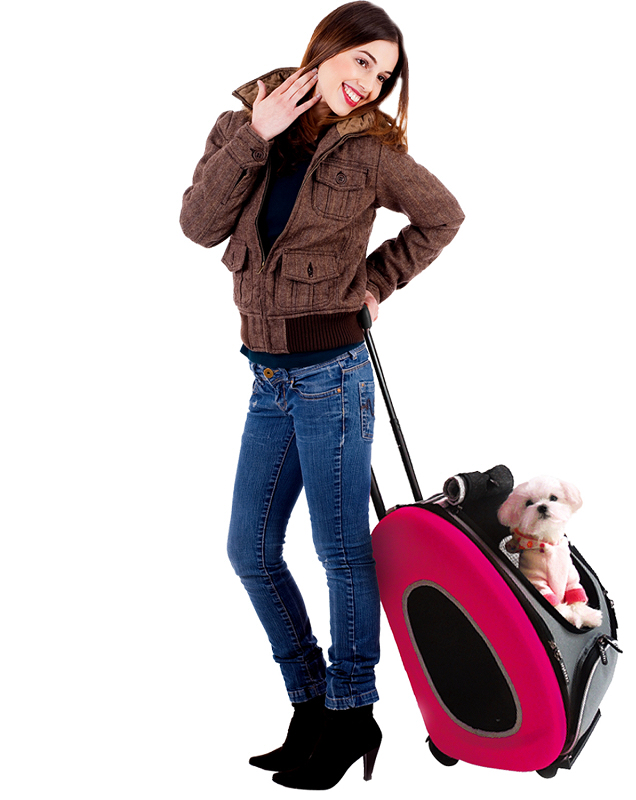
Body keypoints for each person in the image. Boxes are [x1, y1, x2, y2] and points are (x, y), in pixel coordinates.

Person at [180, 1, 463, 790]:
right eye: (363, 60)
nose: (370, 83)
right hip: (267, 377)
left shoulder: (372, 153)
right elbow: (198, 225)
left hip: (334, 375)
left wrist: (377, 282)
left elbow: (443, 217)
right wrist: (256, 133)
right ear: (327, 49)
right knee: (250, 551)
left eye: (385, 74)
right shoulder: (241, 124)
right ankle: (310, 703)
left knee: (340, 552)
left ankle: (352, 710)